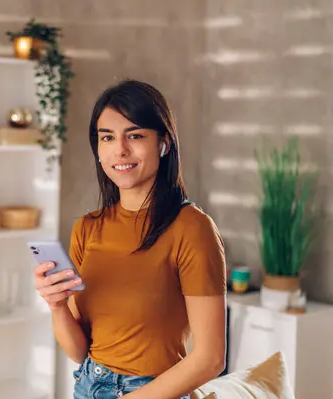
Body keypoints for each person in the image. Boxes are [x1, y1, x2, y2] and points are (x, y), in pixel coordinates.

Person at [34, 79, 227, 399]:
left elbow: (210, 360)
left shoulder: (192, 228)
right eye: (107, 137)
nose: (120, 149)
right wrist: (56, 305)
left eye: (135, 136)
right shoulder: (87, 228)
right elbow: (79, 351)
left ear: (163, 144)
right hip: (87, 385)